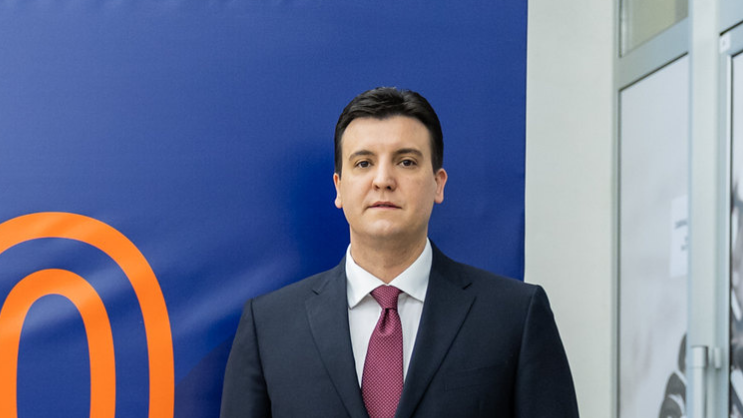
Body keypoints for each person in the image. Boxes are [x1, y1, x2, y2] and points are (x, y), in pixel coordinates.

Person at [220, 87, 579, 418]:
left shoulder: (515, 315)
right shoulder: (268, 327)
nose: (383, 180)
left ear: (438, 184)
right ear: (339, 187)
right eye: (363, 163)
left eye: (406, 161)